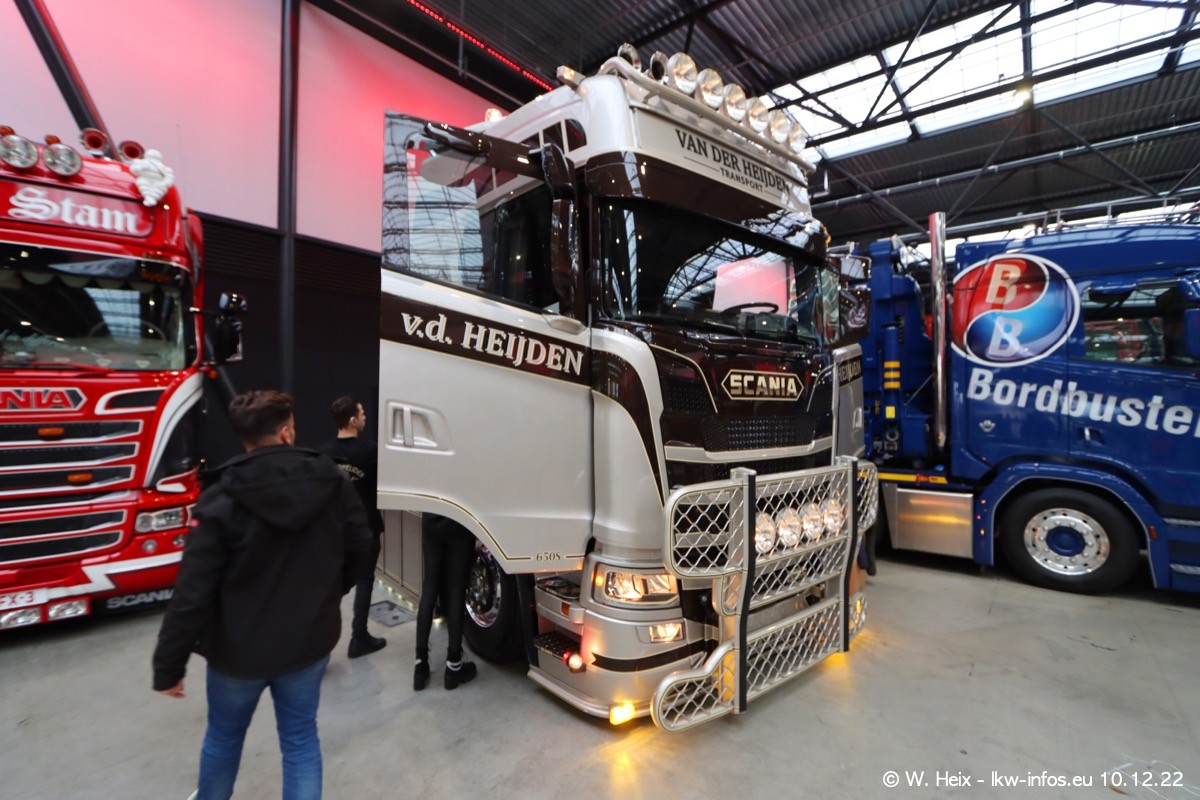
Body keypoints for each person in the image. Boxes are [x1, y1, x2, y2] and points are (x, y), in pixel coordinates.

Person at [152, 390, 370, 800]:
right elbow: (360, 547)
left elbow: (192, 591)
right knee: (301, 741)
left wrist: (169, 665)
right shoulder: (332, 482)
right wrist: (329, 592)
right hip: (308, 642)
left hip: (237, 653)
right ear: (286, 432)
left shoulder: (219, 497)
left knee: (223, 738)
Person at [317, 396, 387, 658]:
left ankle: (318, 645)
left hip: (334, 530)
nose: (365, 417)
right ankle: (359, 638)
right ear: (352, 420)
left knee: (329, 585)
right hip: (365, 528)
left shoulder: (323, 454)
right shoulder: (371, 452)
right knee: (365, 581)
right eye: (362, 413)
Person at [413, 513, 478, 691]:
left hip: (431, 521)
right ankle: (453, 667)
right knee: (456, 591)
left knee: (429, 589)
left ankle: (420, 665)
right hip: (459, 521)